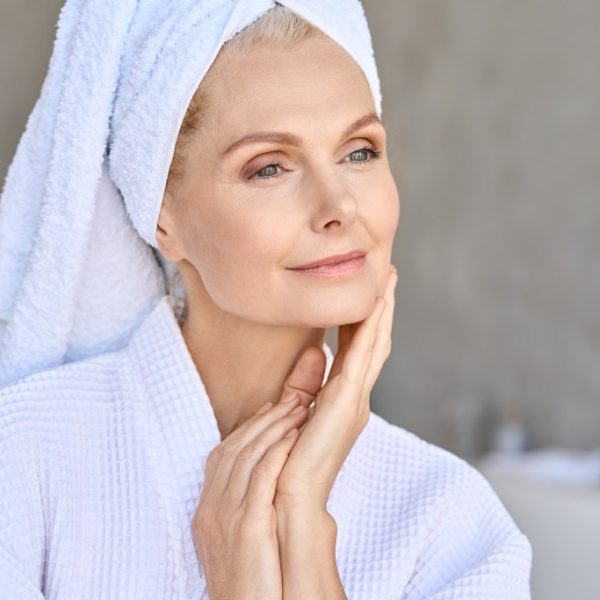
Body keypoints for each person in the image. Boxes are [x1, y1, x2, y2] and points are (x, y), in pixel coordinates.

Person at [0, 2, 532, 598]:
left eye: (360, 151)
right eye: (269, 168)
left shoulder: (450, 522)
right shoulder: (21, 459)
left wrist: (302, 521)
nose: (339, 206)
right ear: (161, 216)